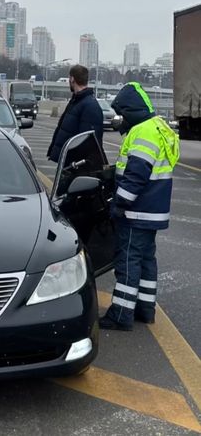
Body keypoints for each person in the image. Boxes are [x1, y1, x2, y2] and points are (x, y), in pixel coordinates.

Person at [99, 82, 179, 331]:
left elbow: (136, 174)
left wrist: (119, 203)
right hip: (153, 210)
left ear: (130, 109)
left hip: (136, 211)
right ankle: (146, 309)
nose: (120, 119)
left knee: (127, 262)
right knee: (146, 260)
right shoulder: (159, 127)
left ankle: (121, 314)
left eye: (121, 113)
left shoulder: (143, 132)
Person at [47, 64, 104, 162]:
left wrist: (74, 164)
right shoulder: (76, 101)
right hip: (68, 164)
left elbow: (88, 142)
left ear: (72, 79)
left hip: (77, 166)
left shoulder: (89, 105)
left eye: (69, 78)